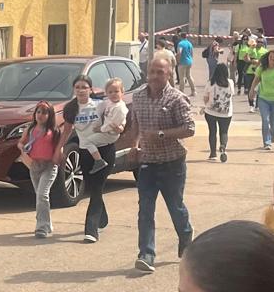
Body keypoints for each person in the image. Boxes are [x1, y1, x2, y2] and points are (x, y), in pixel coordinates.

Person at [121, 51, 196, 273]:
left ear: (169, 73)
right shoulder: (138, 97)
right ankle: (146, 254)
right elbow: (135, 124)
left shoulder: (176, 99)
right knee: (145, 208)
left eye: (160, 72)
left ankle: (186, 235)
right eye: (152, 71)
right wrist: (134, 145)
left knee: (175, 206)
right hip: (148, 162)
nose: (154, 76)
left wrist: (161, 134)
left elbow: (189, 129)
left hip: (172, 162)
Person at [62, 75, 123, 243]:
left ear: (90, 89)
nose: (81, 90)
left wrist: (120, 127)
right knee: (92, 187)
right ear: (74, 90)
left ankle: (91, 229)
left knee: (97, 187)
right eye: (78, 87)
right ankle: (102, 217)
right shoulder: (71, 108)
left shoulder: (100, 104)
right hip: (85, 153)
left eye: (84, 87)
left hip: (104, 151)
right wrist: (60, 149)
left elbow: (117, 114)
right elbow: (66, 131)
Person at [17, 102, 63, 239]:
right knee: (40, 197)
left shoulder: (54, 131)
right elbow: (21, 142)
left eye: (44, 113)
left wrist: (58, 157)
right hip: (34, 166)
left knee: (42, 195)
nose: (40, 115)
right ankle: (47, 223)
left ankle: (41, 227)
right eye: (38, 112)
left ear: (50, 115)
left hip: (49, 166)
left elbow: (59, 148)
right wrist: (22, 149)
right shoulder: (31, 129)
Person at [253, 49, 274, 151]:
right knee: (265, 120)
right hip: (263, 98)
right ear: (267, 57)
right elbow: (256, 80)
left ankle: (272, 135)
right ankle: (267, 142)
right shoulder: (261, 68)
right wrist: (251, 91)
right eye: (271, 56)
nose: (272, 58)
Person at [202, 63, 234, 163]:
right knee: (224, 132)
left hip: (210, 111)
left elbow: (205, 97)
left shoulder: (210, 83)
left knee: (212, 132)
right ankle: (223, 146)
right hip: (226, 112)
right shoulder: (230, 83)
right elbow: (231, 94)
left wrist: (207, 104)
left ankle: (213, 154)